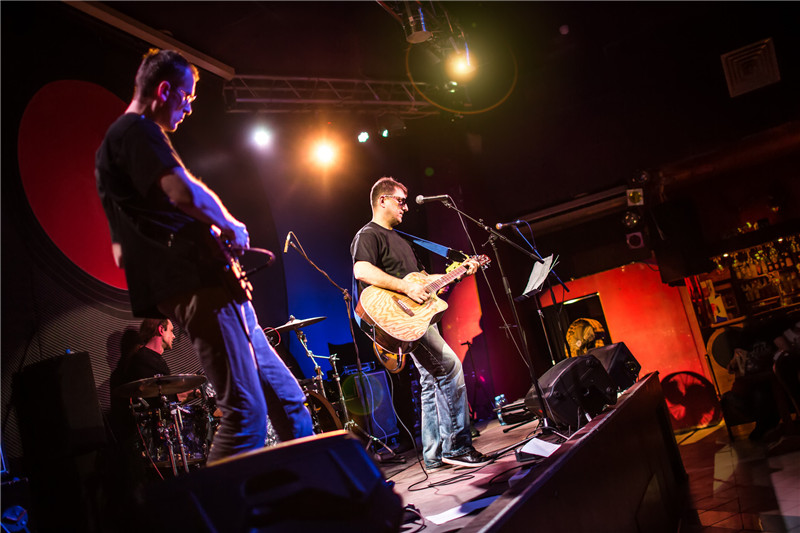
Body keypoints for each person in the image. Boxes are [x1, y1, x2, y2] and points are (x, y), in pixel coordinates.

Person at [96, 48, 312, 464]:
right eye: (187, 96)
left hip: (213, 281)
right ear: (164, 90)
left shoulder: (126, 140)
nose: (190, 108)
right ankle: (219, 503)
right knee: (245, 414)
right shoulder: (135, 131)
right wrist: (230, 224)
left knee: (288, 399)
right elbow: (182, 191)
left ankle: (320, 492)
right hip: (197, 282)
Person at [351, 176, 490, 469]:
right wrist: (406, 288)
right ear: (383, 200)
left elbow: (424, 284)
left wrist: (458, 273)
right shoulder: (368, 234)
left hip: (419, 318)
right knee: (450, 368)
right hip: (399, 318)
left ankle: (434, 454)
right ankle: (457, 446)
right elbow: (362, 270)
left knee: (430, 380)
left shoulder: (403, 240)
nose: (406, 207)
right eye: (401, 201)